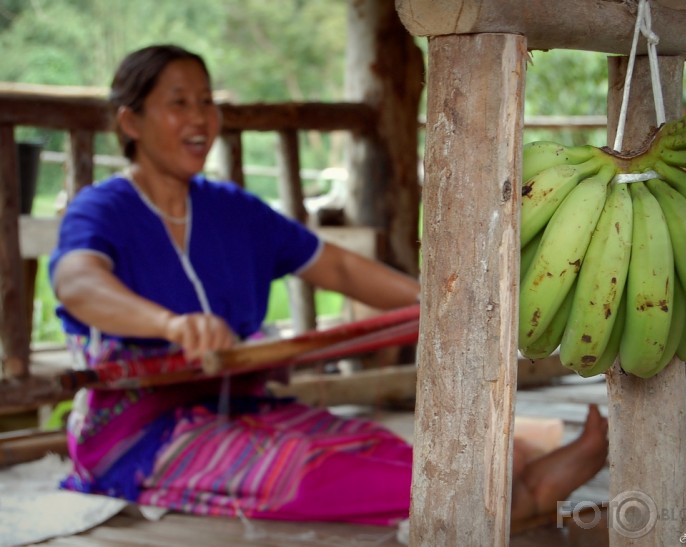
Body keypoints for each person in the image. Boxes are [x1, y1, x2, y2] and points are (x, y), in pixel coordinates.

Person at [50, 44, 607, 527]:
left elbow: (335, 268)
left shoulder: (233, 211)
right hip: (136, 438)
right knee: (315, 471)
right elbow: (77, 281)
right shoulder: (104, 208)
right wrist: (168, 324)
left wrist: (436, 308)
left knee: (372, 448)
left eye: (206, 101)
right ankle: (527, 496)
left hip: (246, 409)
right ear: (130, 122)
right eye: (178, 103)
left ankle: (519, 490)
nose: (200, 118)